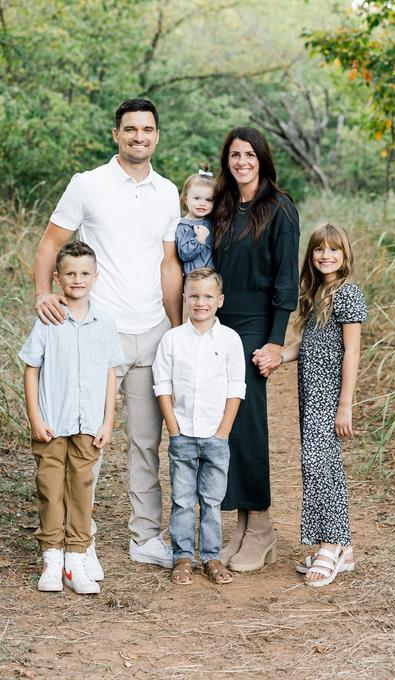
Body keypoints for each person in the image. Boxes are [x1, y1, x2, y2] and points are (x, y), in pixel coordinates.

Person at [33, 98, 182, 571]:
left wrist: (176, 328)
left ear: (157, 136)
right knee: (85, 441)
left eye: (148, 129)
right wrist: (42, 293)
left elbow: (169, 263)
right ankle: (81, 539)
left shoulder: (167, 191)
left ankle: (145, 537)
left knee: (145, 441)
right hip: (97, 333)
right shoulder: (88, 184)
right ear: (116, 134)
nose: (140, 137)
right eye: (131, 129)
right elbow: (51, 243)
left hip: (152, 330)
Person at [212, 127, 300, 573]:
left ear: (262, 159)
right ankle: (243, 527)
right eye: (234, 155)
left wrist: (275, 341)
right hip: (218, 327)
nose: (241, 162)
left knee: (247, 423)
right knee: (223, 425)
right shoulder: (223, 207)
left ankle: (262, 525)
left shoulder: (279, 208)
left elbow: (287, 281)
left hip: (253, 329)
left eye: (249, 154)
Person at [19, 241, 124, 594]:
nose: (77, 279)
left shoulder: (105, 323)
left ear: (95, 277)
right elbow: (31, 369)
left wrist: (108, 420)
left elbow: (110, 374)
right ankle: (52, 557)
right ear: (57, 278)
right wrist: (35, 417)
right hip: (52, 421)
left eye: (84, 273)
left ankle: (76, 559)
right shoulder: (48, 320)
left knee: (82, 489)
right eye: (70, 274)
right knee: (50, 488)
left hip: (89, 424)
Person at [279, 223, 367, 587]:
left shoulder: (347, 293)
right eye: (319, 249)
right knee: (321, 462)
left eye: (333, 249)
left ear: (345, 256)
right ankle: (342, 547)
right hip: (310, 391)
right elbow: (310, 343)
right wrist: (281, 355)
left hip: (330, 394)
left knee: (318, 462)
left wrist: (344, 404)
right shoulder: (316, 293)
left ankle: (330, 545)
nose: (325, 255)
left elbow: (351, 350)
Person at [152, 268, 246, 585]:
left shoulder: (230, 340)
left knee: (211, 500)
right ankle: (182, 557)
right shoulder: (173, 339)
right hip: (183, 436)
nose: (200, 302)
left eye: (207, 296)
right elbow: (162, 386)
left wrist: (223, 431)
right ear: (185, 298)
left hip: (216, 436)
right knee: (181, 499)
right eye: (194, 296)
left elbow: (236, 388)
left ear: (219, 300)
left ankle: (211, 557)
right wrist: (174, 429)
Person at [175, 170, 216, 274]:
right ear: (186, 199)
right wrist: (199, 240)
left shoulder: (211, 222)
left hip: (213, 277)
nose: (202, 203)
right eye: (197, 198)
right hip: (194, 279)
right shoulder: (183, 226)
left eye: (209, 200)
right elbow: (184, 255)